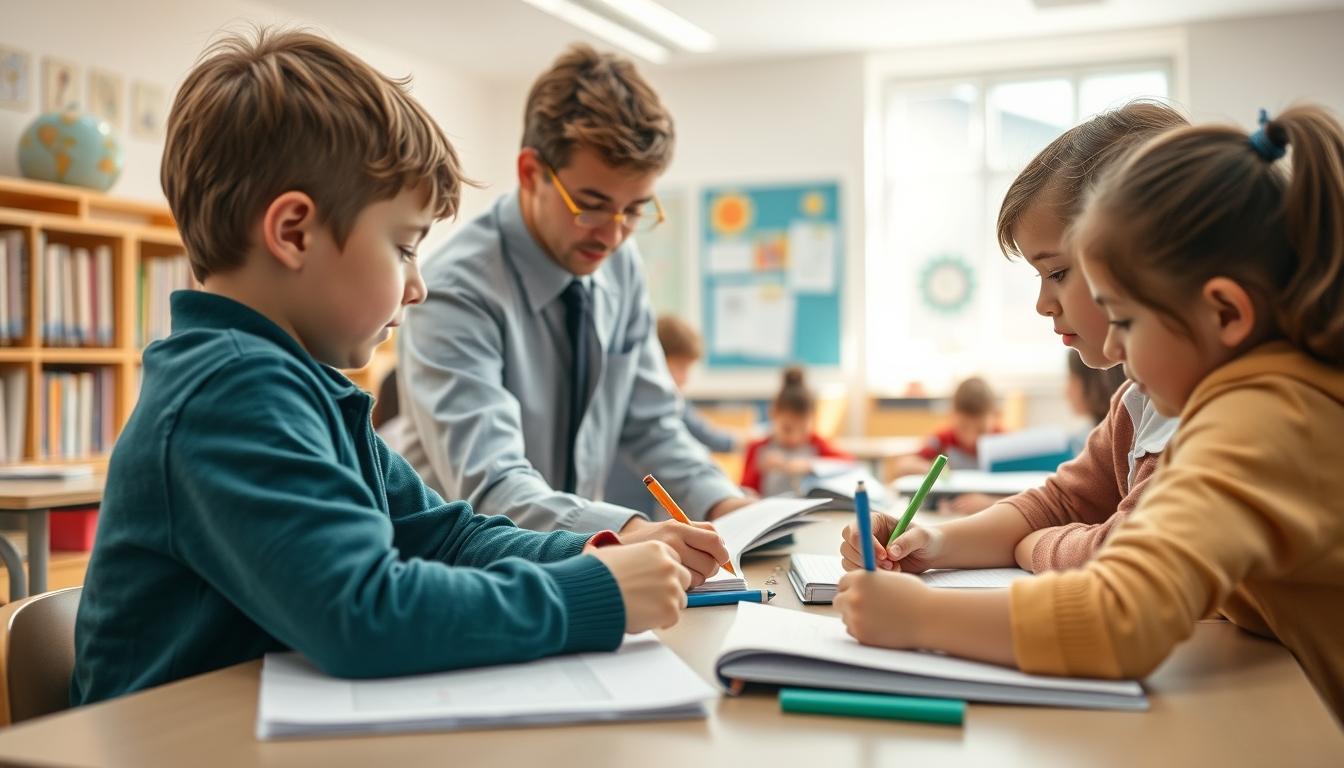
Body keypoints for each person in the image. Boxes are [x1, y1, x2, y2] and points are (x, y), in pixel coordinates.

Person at [71, 29, 696, 706]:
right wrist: (593, 593)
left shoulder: (299, 387)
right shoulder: (227, 391)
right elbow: (363, 613)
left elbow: (443, 534)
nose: (418, 286)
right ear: (293, 233)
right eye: (404, 247)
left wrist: (591, 553)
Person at [837, 105, 1344, 723]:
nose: (1119, 352)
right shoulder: (1221, 396)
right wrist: (935, 543)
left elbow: (1121, 615)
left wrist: (918, 616)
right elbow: (1063, 503)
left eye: (1125, 319)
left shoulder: (1259, 420)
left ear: (1226, 314)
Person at [397, 45, 749, 581]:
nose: (612, 235)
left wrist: (724, 505)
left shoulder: (619, 263)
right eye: (591, 204)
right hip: (465, 579)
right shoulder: (452, 290)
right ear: (531, 171)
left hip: (580, 564)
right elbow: (490, 485)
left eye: (634, 210)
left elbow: (652, 423)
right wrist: (628, 532)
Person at [847, 102, 1187, 574]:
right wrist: (932, 542)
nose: (1042, 303)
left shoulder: (1204, 408)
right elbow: (1061, 503)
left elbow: (1125, 555)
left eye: (1058, 272)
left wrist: (1033, 547)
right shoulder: (1139, 398)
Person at [606, 315, 746, 513]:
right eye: (680, 367)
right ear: (655, 362)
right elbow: (706, 435)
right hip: (634, 504)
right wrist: (743, 441)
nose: (685, 378)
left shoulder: (645, 400)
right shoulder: (656, 401)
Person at [740, 367, 850, 496]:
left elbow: (848, 462)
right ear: (773, 415)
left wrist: (810, 465)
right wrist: (758, 469)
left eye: (803, 430)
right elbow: (744, 490)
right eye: (787, 429)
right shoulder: (758, 448)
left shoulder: (816, 443)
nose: (794, 438)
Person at [886, 376, 999, 478]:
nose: (971, 438)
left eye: (981, 430)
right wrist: (934, 470)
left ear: (995, 416)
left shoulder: (1003, 440)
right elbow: (903, 465)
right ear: (952, 415)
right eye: (963, 427)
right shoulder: (943, 439)